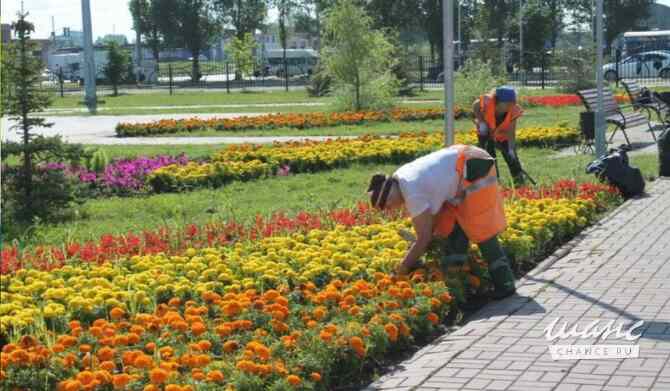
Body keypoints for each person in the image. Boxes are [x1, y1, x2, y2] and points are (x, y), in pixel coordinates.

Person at [367, 144, 516, 299]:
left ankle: (505, 284)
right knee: (449, 226)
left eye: (389, 207)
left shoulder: (411, 194)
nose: (393, 210)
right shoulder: (400, 178)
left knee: (482, 231)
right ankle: (460, 284)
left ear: (389, 197)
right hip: (463, 164)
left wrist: (402, 268)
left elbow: (424, 238)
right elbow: (431, 225)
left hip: (474, 169)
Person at [473, 86, 525, 186]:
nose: (510, 107)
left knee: (512, 158)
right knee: (489, 158)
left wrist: (510, 149)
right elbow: (475, 105)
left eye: (512, 104)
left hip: (502, 135)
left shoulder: (513, 109)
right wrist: (481, 121)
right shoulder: (488, 101)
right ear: (498, 101)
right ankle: (493, 183)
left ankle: (519, 181)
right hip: (485, 132)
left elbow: (511, 132)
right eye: (507, 104)